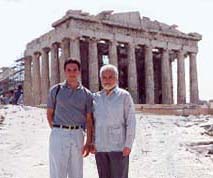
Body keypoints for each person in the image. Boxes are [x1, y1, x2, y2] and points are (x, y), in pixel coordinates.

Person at [47, 59, 93, 178]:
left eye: (74, 70)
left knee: (76, 171)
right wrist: (58, 129)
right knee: (57, 171)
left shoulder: (87, 94)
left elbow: (89, 119)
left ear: (79, 72)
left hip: (78, 134)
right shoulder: (55, 90)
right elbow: (49, 113)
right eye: (69, 70)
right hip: (59, 133)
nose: (72, 73)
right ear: (64, 72)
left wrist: (88, 141)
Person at [92, 64, 136, 178]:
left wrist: (128, 145)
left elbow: (131, 121)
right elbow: (92, 123)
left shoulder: (124, 96)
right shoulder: (95, 98)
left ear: (116, 78)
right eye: (104, 77)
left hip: (119, 147)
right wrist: (92, 142)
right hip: (100, 147)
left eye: (110, 77)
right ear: (100, 79)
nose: (107, 80)